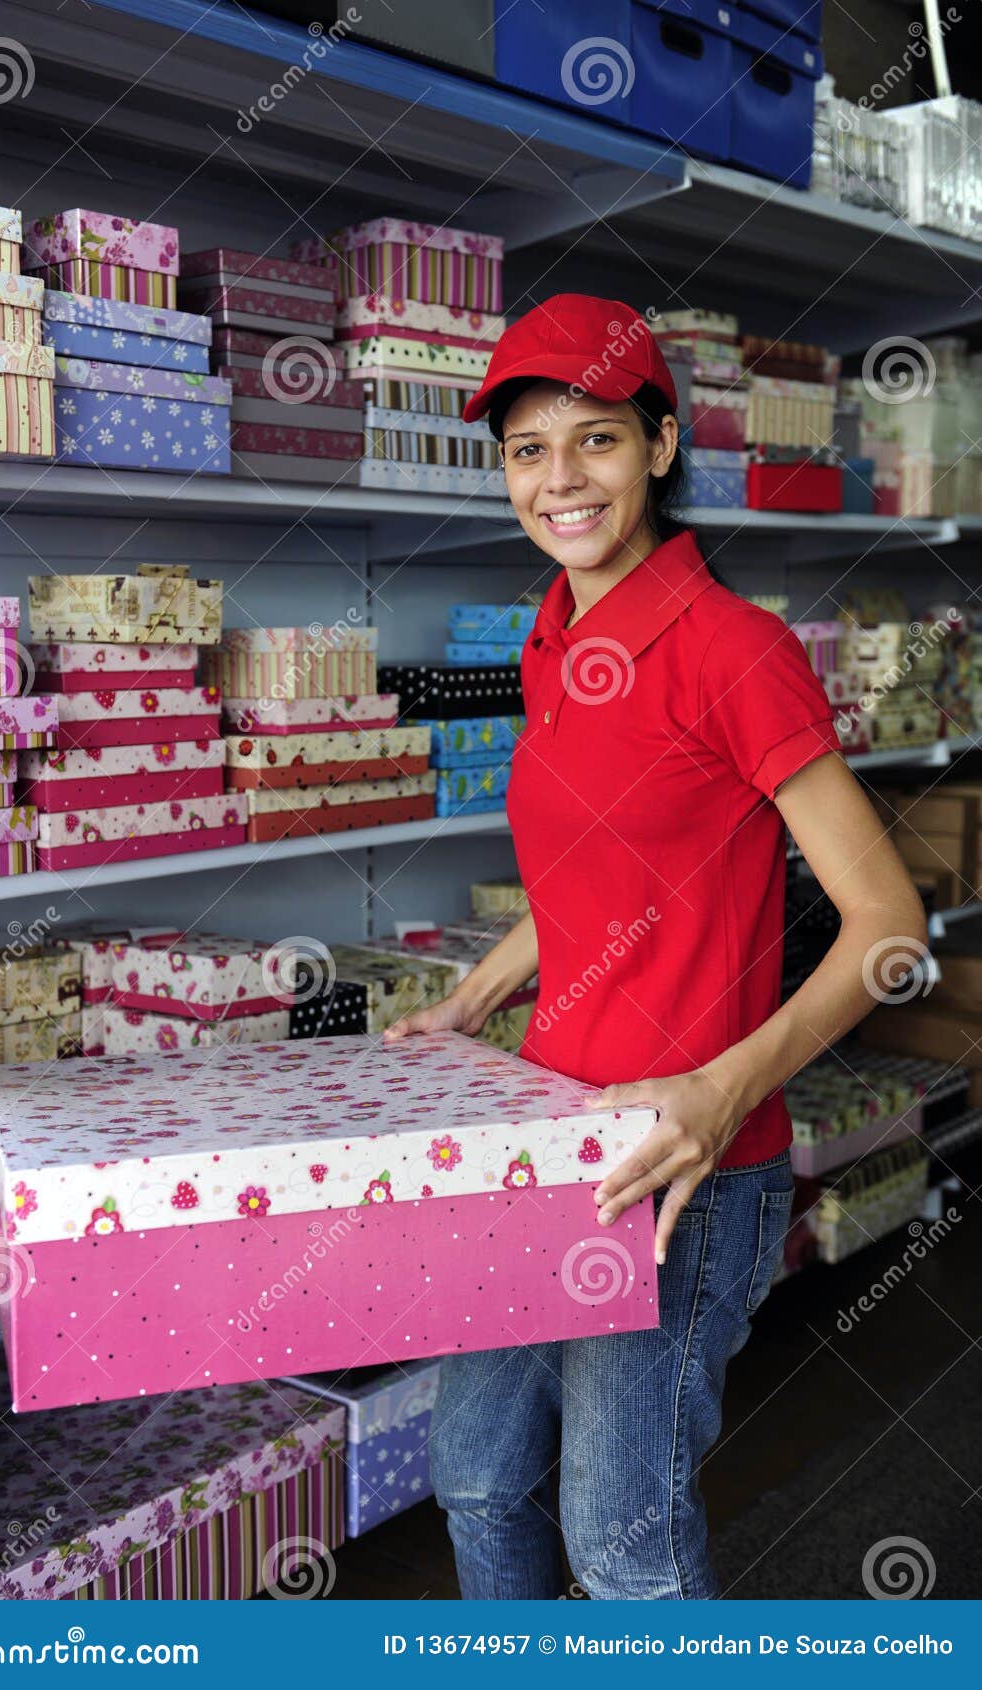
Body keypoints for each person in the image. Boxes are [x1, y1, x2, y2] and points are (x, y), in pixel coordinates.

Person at [383, 294, 928, 1601]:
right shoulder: (553, 639)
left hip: (684, 1169)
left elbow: (890, 932)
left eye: (597, 440)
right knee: (475, 1480)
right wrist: (471, 1000)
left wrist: (720, 1092)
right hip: (537, 1135)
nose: (560, 479)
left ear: (663, 445)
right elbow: (593, 876)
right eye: (528, 448)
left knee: (621, 1542)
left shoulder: (734, 652)